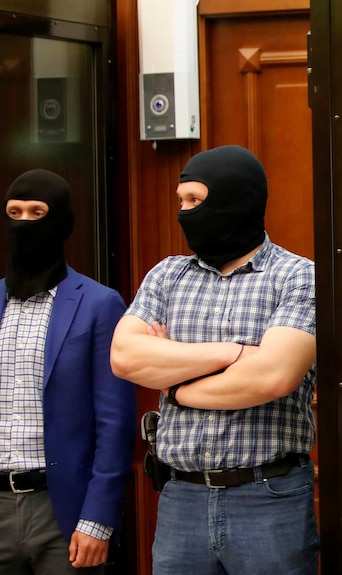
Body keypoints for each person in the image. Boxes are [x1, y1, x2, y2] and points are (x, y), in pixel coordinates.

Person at [109, 145, 318, 575]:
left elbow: (273, 377)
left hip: (269, 495)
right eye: (180, 201)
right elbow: (125, 357)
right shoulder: (167, 275)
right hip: (181, 497)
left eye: (195, 201)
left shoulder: (298, 276)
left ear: (236, 199)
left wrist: (174, 386)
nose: (184, 213)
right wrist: (235, 353)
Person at [0, 169, 137, 574]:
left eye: (37, 212)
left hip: (63, 513)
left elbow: (114, 423)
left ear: (61, 222)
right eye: (14, 212)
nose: (24, 223)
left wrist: (98, 520)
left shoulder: (99, 304)